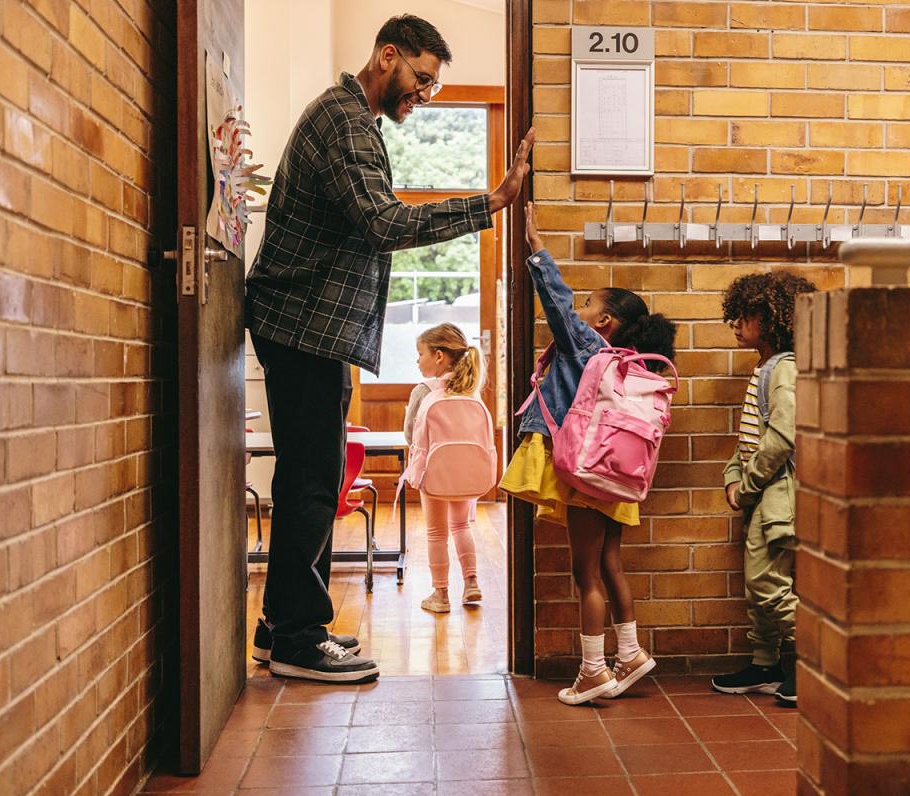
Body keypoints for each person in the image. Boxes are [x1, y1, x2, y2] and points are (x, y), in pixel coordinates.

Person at [245, 14, 534, 683]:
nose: (424, 95)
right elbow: (383, 222)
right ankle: (295, 638)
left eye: (433, 87)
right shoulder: (346, 124)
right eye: (421, 80)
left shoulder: (353, 120)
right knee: (314, 482)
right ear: (388, 55)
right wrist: (489, 202)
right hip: (303, 326)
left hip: (314, 328)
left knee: (310, 478)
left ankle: (283, 623)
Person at [500, 203, 677, 705]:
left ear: (605, 321)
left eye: (587, 308)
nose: (577, 313)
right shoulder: (634, 366)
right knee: (611, 563)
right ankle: (631, 653)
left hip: (589, 471)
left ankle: (594, 672)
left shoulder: (590, 347)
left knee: (585, 573)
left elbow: (555, 300)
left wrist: (535, 247)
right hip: (620, 474)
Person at [712, 271, 816, 707]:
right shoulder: (767, 367)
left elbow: (784, 435)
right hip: (761, 488)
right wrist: (734, 477)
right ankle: (765, 664)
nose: (736, 323)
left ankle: (821, 665)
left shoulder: (785, 367)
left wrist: (750, 485)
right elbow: (748, 440)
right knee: (758, 585)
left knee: (766, 582)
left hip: (777, 491)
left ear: (774, 318)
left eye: (746, 314)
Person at [403, 323, 485, 613]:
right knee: (462, 525)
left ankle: (441, 594)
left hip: (433, 473)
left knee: (436, 532)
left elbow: (410, 433)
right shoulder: (470, 390)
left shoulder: (423, 391)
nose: (418, 360)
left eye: (420, 353)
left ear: (438, 356)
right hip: (466, 472)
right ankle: (472, 582)